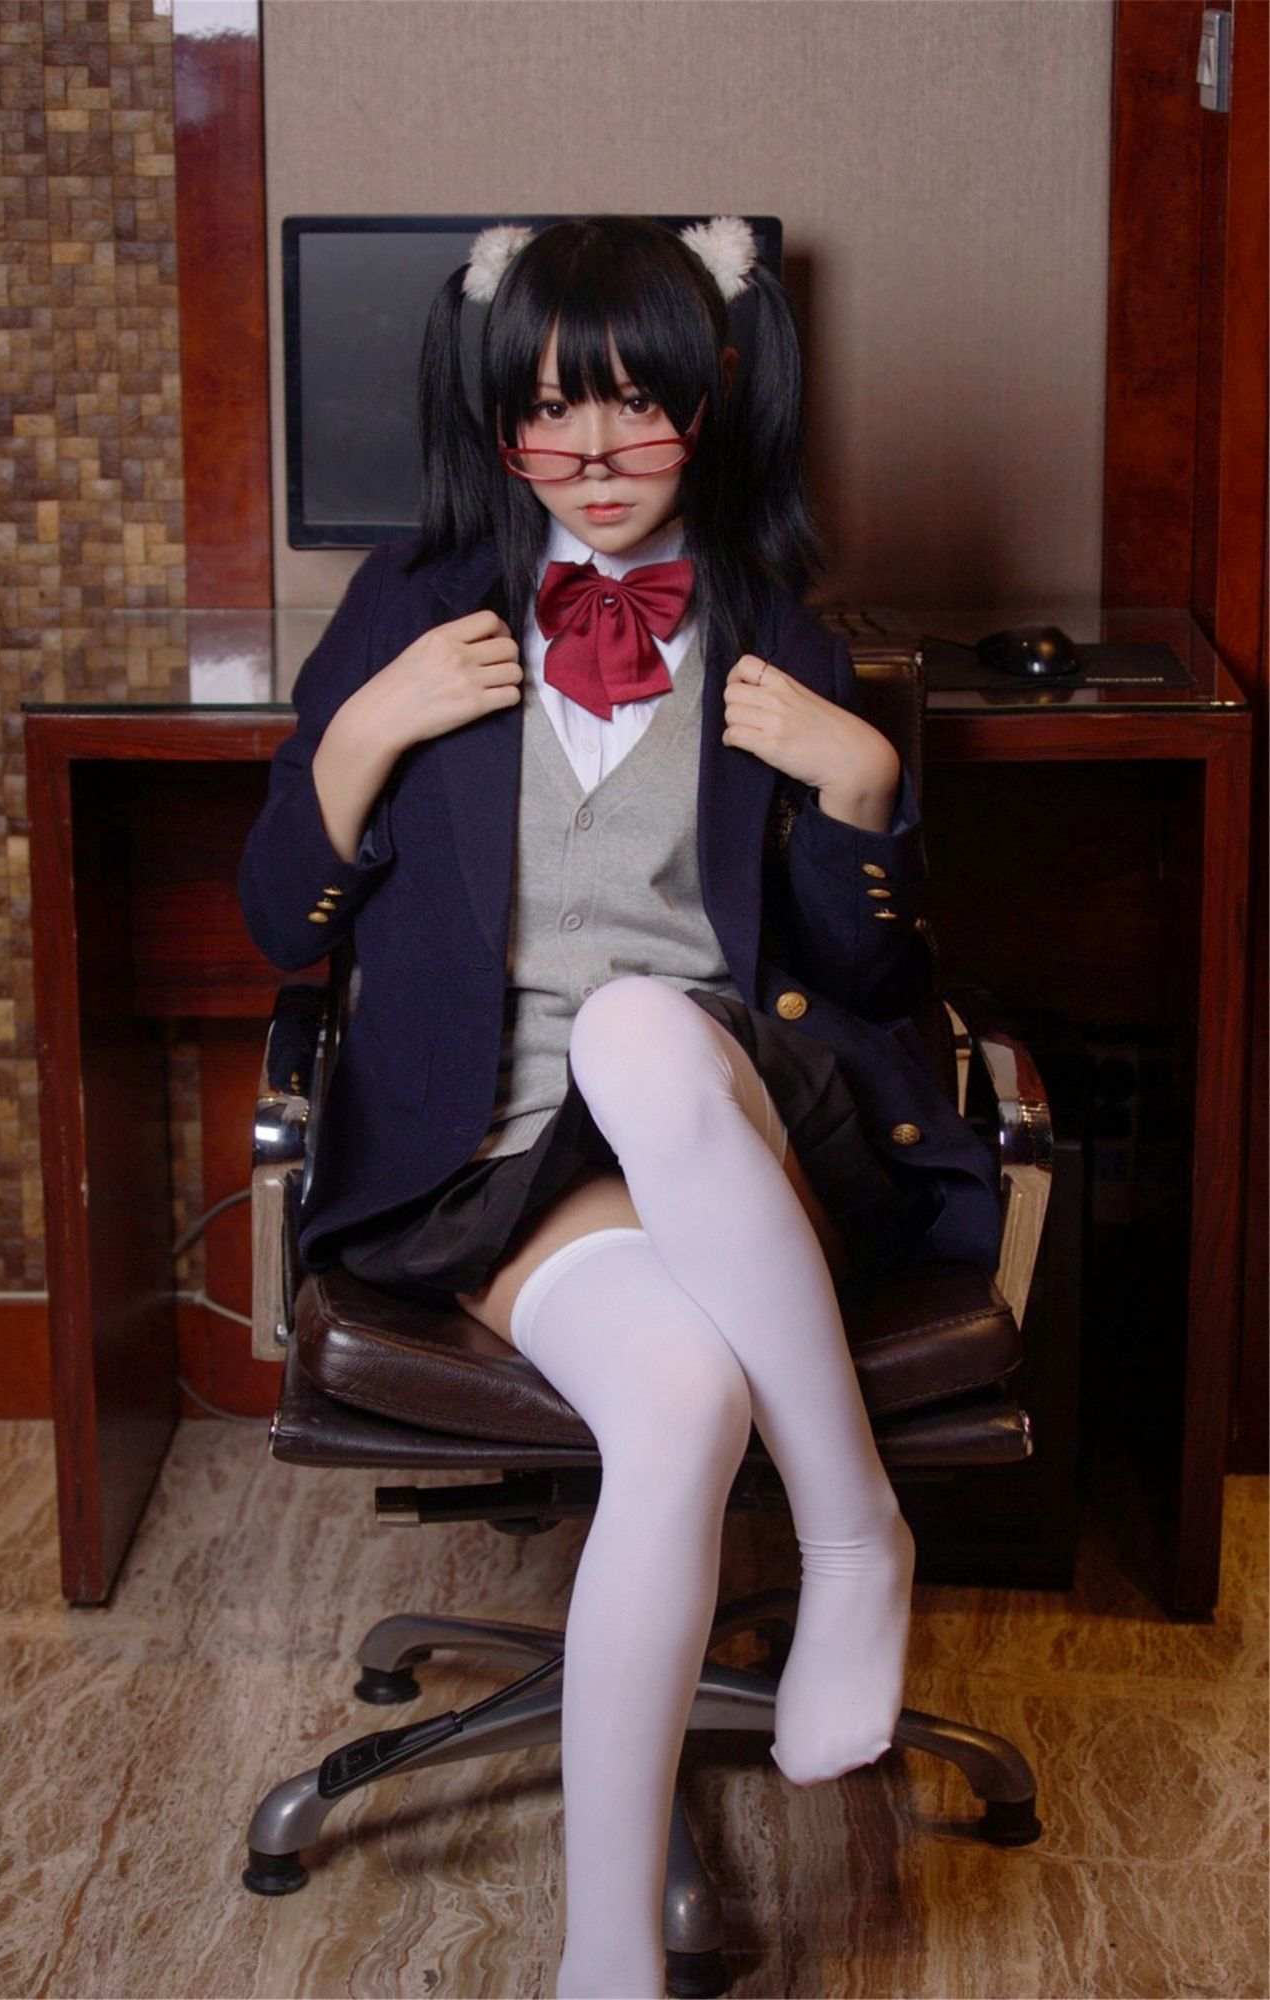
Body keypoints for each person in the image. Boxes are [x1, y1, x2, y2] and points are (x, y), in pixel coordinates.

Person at [239, 214, 1003, 2000]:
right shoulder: (410, 608)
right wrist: (361, 735)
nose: (591, 451)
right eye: (546, 409)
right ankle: (607, 1963)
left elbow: (865, 979)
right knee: (672, 1404)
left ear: (709, 405)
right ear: (496, 420)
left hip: (741, 1110)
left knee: (645, 1034)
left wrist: (860, 788)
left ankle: (848, 1535)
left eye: (635, 404)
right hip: (503, 1154)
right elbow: (279, 923)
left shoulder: (773, 630)